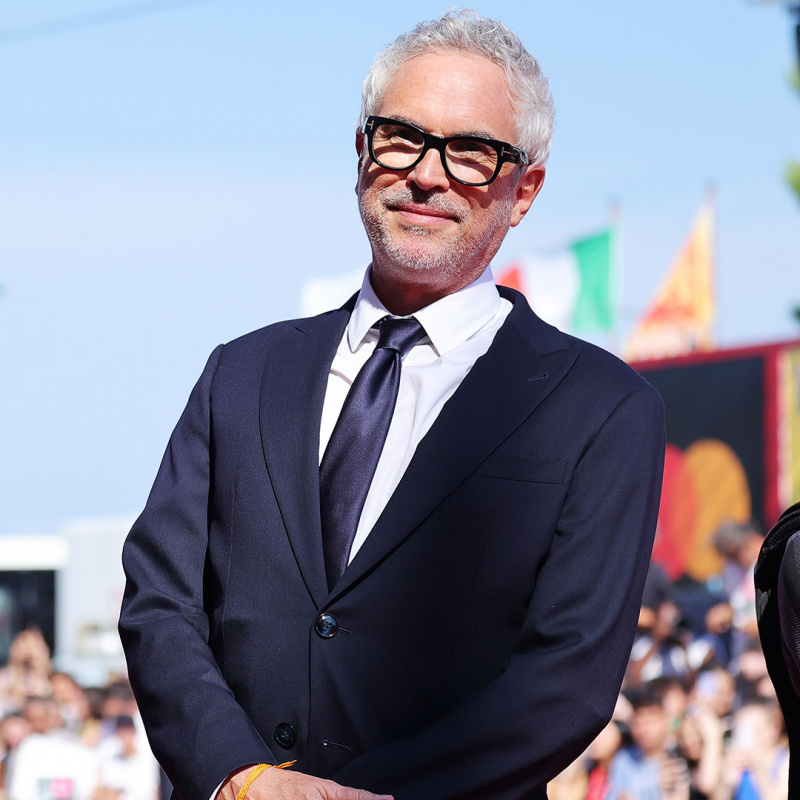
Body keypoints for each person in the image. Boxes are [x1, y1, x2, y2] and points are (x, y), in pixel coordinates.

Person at [118, 9, 666, 800]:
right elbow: (160, 602)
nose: (428, 174)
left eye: (472, 152)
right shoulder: (242, 372)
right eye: (402, 136)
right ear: (361, 151)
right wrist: (243, 777)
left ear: (524, 191)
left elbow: (566, 679)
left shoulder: (602, 410)